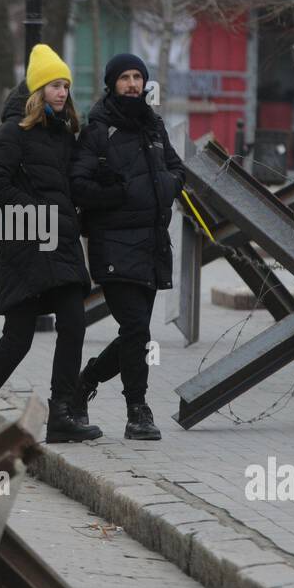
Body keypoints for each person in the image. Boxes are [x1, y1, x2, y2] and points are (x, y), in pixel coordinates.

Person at [0, 44, 102, 458]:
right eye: (55, 84)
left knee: (74, 321)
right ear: (38, 89)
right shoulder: (13, 131)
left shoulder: (65, 134)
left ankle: (61, 415)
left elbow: (73, 185)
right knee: (18, 338)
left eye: (66, 86)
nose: (62, 92)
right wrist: (35, 211)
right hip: (24, 246)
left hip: (61, 245)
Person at [70, 53, 184, 440]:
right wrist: (119, 192)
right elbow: (78, 185)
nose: (133, 84)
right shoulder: (98, 131)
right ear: (111, 84)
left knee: (136, 334)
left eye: (138, 77)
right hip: (114, 245)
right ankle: (138, 410)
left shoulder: (153, 127)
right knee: (136, 328)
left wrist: (168, 187)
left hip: (152, 245)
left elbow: (177, 168)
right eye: (125, 78)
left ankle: (84, 382)